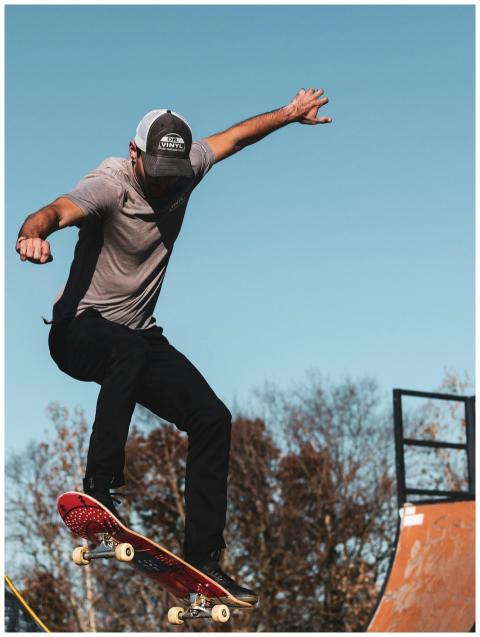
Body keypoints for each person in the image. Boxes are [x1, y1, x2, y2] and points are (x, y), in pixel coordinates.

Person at [16, 88, 331, 600]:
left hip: (136, 337)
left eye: (174, 175)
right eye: (157, 175)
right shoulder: (108, 184)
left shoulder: (187, 166)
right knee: (129, 348)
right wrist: (33, 234)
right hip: (77, 331)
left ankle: (204, 560)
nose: (166, 186)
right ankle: (98, 493)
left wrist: (289, 114)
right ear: (135, 154)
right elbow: (54, 210)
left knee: (212, 418)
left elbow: (234, 138)